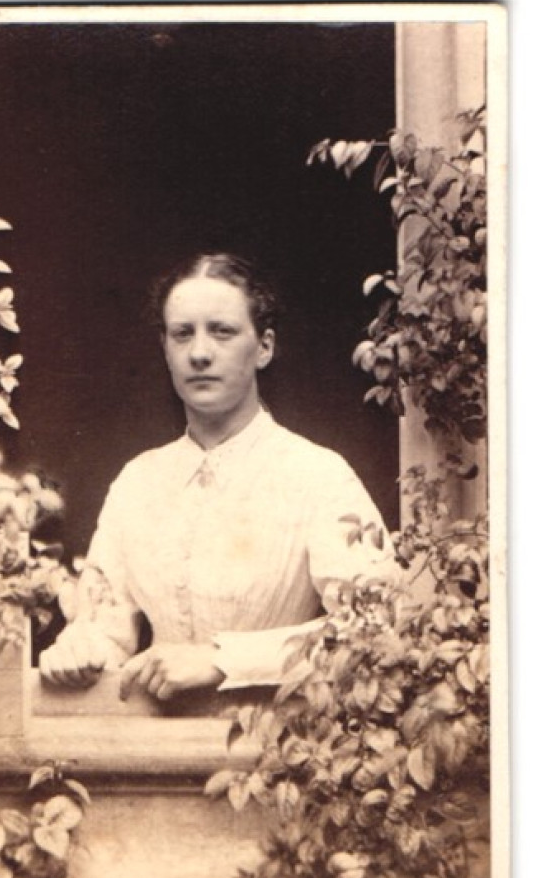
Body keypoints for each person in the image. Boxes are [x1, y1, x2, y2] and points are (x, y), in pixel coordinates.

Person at [39, 252, 393, 701]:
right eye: (182, 334)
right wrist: (76, 651)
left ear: (263, 347)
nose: (200, 353)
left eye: (222, 332)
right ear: (165, 349)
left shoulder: (317, 476)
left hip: (279, 743)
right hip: (147, 748)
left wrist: (223, 659)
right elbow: (105, 630)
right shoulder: (138, 482)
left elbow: (377, 627)